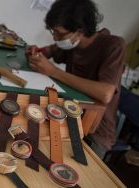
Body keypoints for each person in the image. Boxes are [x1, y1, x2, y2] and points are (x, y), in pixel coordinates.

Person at [26, 0, 125, 157]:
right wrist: (36, 51)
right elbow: (51, 50)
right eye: (53, 31)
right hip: (68, 114)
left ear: (79, 31)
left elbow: (105, 93)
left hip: (95, 130)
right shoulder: (72, 43)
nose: (55, 37)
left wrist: (53, 71)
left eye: (58, 33)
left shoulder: (113, 46)